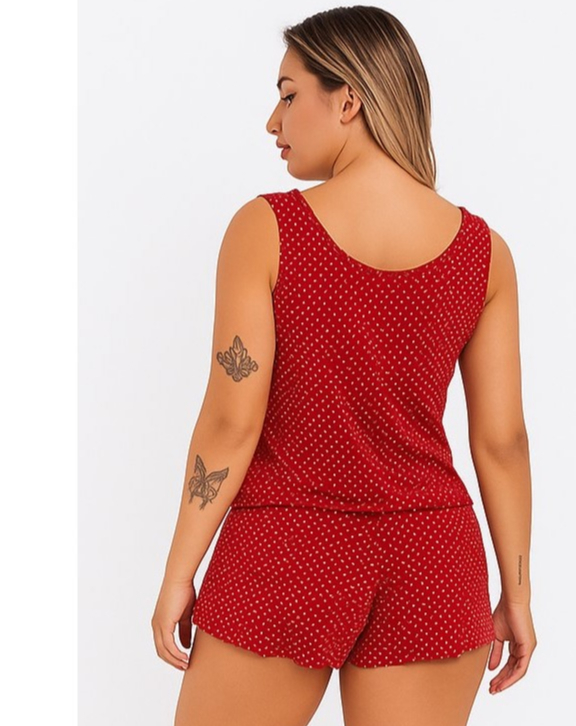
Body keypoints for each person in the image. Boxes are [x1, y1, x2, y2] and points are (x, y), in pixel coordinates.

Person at [152, 6, 536, 725]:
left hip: (287, 550)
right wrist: (517, 592)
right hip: (432, 562)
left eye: (288, 94)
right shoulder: (484, 254)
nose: (273, 121)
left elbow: (233, 422)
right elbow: (502, 441)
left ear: (349, 99)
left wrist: (180, 571)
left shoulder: (268, 229)